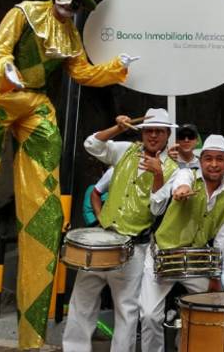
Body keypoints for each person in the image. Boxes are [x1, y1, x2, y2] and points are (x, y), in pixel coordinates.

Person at [0, 0, 138, 349]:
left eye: (75, 1)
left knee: (43, 209)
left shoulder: (71, 35)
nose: (67, 4)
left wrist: (116, 66)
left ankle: (32, 338)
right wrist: (6, 71)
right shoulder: (23, 12)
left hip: (35, 104)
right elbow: (0, 50)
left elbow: (82, 73)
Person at [63, 108, 178, 352]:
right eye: (149, 130)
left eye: (159, 131)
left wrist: (158, 174)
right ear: (142, 132)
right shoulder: (126, 150)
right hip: (102, 239)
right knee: (81, 302)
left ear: (168, 135)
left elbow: (157, 209)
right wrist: (118, 128)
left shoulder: (172, 169)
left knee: (127, 310)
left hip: (133, 247)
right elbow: (92, 144)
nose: (153, 135)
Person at [138, 135, 224, 352]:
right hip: (162, 257)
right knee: (148, 315)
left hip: (195, 262)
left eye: (219, 159)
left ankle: (187, 346)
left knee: (213, 307)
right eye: (208, 158)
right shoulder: (185, 174)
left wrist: (215, 277)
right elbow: (174, 190)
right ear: (200, 161)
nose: (213, 164)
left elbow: (222, 240)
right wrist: (180, 190)